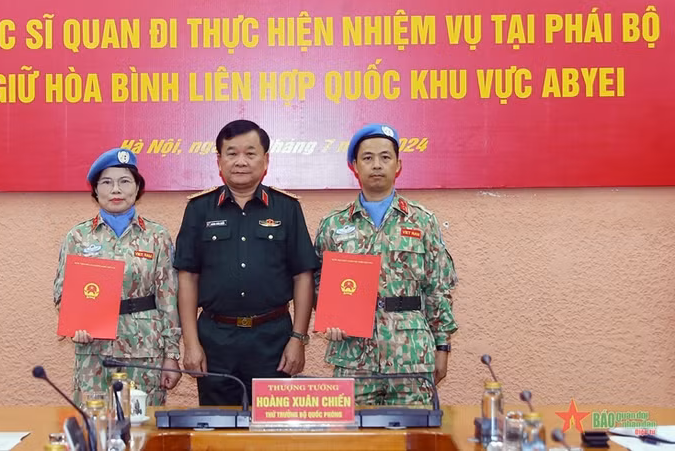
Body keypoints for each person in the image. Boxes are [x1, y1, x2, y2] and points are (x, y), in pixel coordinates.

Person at [174, 119, 319, 405]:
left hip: (273, 339)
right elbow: (187, 277)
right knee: (218, 432)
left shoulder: (287, 208)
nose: (241, 161)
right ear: (219, 160)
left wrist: (298, 339)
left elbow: (303, 275)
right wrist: (191, 344)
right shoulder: (198, 209)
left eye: (250, 153)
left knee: (271, 433)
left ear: (265, 160)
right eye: (232, 153)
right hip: (215, 340)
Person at [313, 124, 458, 406]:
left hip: (411, 352)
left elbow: (438, 288)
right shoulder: (334, 224)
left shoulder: (421, 220)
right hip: (353, 354)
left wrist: (442, 347)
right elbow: (318, 281)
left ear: (398, 164)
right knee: (352, 438)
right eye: (367, 158)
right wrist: (330, 319)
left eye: (385, 157)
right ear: (354, 166)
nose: (376, 165)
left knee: (414, 436)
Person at [53, 148, 181, 406]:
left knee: (142, 427)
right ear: (95, 190)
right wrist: (75, 324)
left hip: (144, 350)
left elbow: (168, 298)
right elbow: (62, 292)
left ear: (137, 188)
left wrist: (172, 355)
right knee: (94, 426)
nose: (116, 190)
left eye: (124, 181)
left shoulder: (156, 236)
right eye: (107, 182)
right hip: (94, 351)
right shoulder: (78, 237)